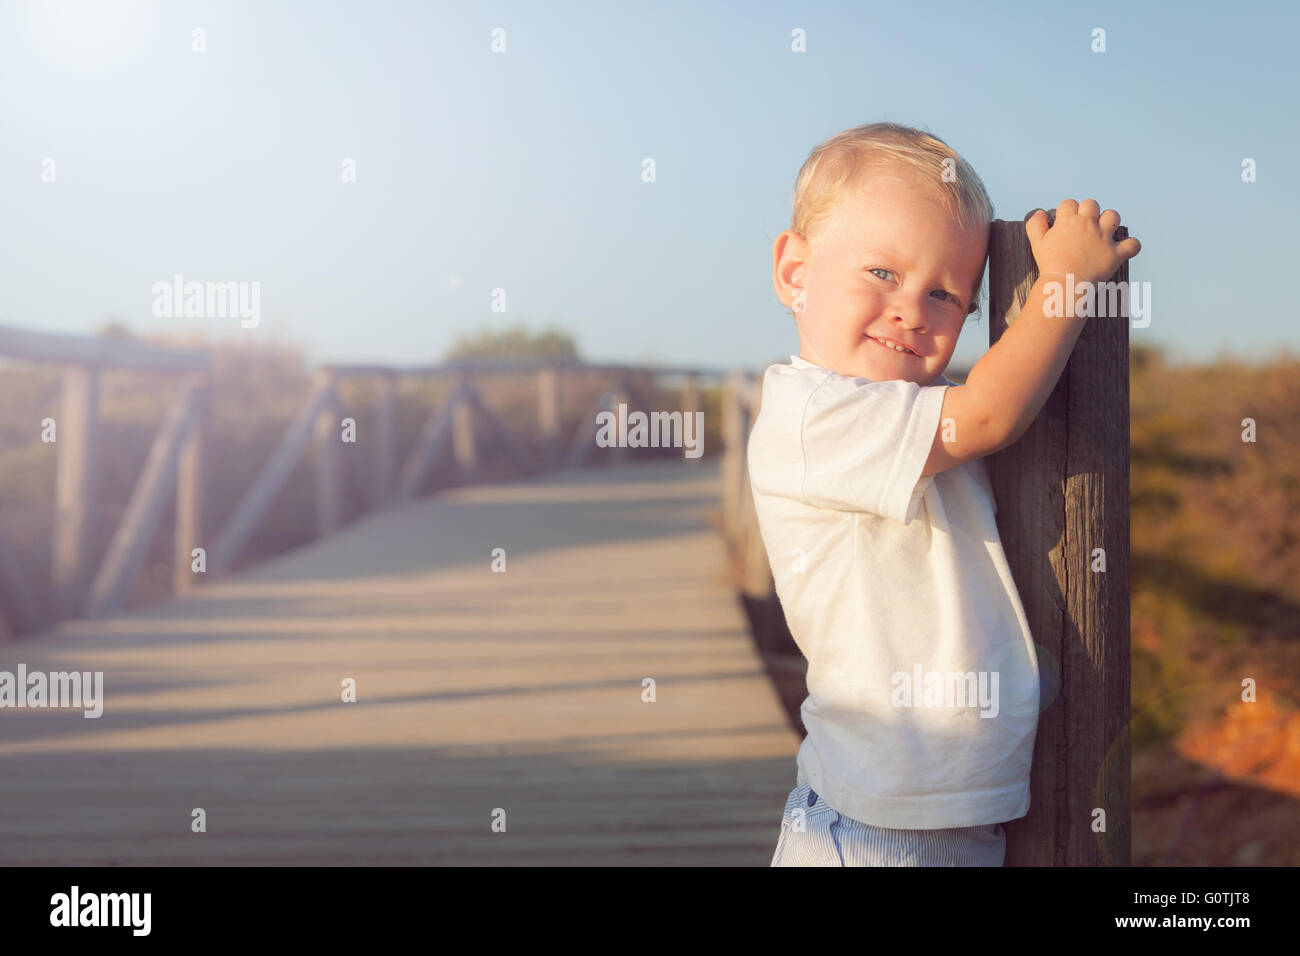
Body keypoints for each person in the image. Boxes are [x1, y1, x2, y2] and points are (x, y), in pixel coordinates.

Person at [749, 122, 1140, 866]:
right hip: (876, 831)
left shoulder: (912, 418)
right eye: (883, 274)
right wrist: (1062, 283)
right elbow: (991, 412)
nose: (911, 310)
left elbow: (990, 404)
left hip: (938, 819)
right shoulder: (811, 417)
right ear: (793, 269)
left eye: (946, 293)